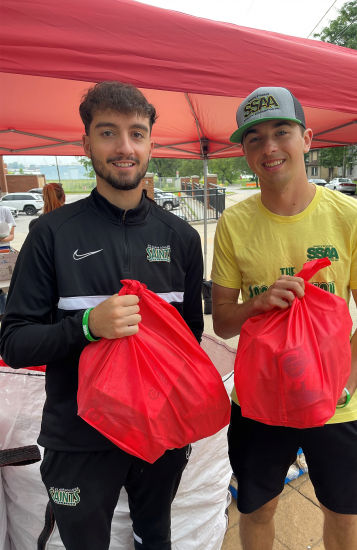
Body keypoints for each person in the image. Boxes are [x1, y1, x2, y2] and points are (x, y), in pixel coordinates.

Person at [0, 81, 204, 550]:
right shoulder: (51, 234)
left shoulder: (181, 238)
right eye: (108, 133)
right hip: (78, 438)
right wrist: (89, 327)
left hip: (159, 432)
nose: (125, 147)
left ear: (152, 143)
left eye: (137, 133)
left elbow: (188, 337)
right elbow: (13, 343)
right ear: (86, 143)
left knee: (154, 537)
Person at [211, 87, 357, 550]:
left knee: (343, 514)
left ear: (307, 138)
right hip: (260, 403)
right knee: (256, 509)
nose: (269, 147)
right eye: (254, 139)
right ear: (245, 152)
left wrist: (343, 385)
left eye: (281, 132)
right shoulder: (234, 223)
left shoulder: (351, 216)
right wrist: (259, 303)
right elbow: (224, 323)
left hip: (338, 406)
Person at [0, 203, 16, 316]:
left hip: (3, 253)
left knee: (3, 289)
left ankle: (3, 315)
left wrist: (2, 239)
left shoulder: (4, 211)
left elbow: (11, 235)